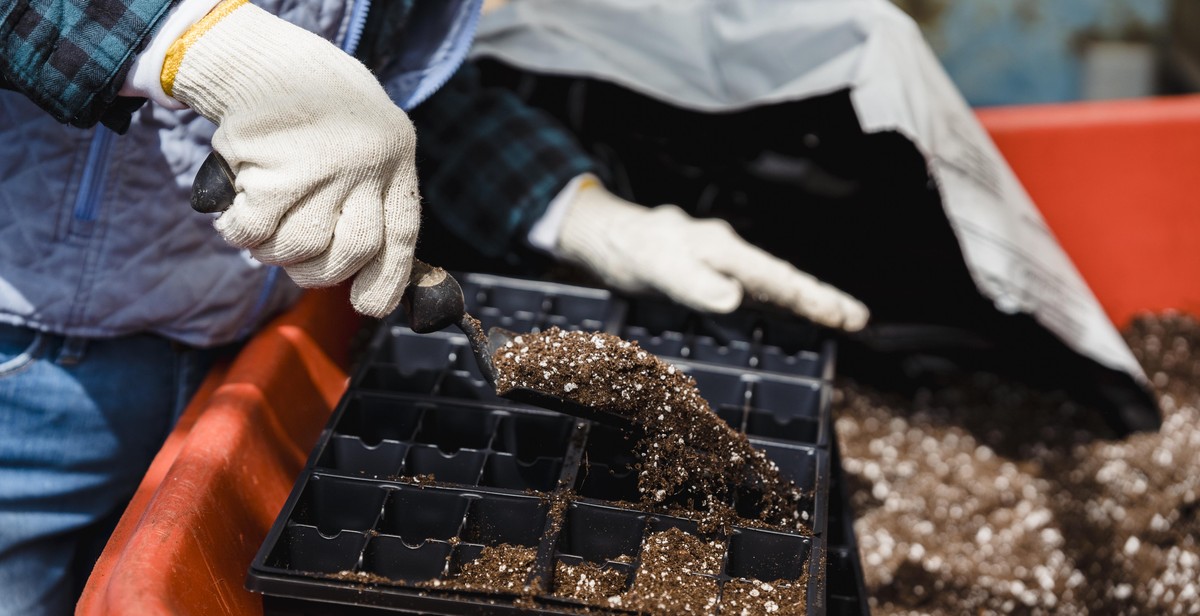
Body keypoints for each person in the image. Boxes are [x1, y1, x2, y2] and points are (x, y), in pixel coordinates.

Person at [1, 0, 870, 613]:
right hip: (33, 364)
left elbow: (403, 99)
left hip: (245, 346)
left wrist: (579, 211)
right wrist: (190, 41)